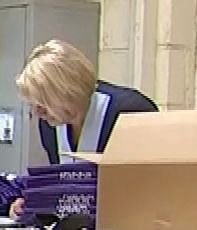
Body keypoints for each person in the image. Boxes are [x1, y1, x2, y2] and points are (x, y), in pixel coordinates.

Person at [17, 39, 158, 165]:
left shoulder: (133, 111)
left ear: (67, 91)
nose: (38, 113)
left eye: (43, 104)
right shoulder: (49, 126)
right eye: (33, 105)